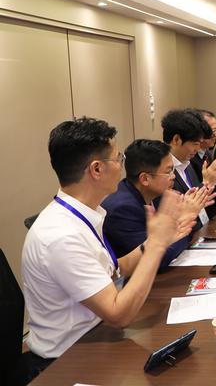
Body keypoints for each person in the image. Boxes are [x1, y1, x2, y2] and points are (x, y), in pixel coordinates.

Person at [21, 117, 193, 379]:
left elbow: (113, 270)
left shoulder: (84, 214)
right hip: (68, 361)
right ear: (97, 169)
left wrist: (154, 242)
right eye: (118, 158)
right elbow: (118, 313)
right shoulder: (61, 235)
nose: (122, 166)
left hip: (96, 337)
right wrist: (157, 245)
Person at [103, 140, 211, 270]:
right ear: (145, 179)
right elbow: (157, 259)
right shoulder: (122, 209)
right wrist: (184, 219)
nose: (173, 176)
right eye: (168, 171)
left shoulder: (156, 193)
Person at [162, 109, 216, 227]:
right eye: (195, 144)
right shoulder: (161, 172)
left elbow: (206, 208)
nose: (198, 149)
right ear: (176, 140)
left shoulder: (187, 162)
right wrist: (207, 183)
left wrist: (213, 182)